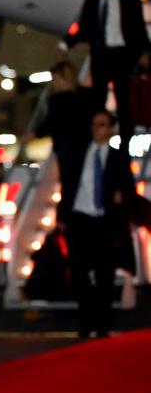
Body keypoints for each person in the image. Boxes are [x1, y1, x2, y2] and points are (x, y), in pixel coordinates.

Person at [56, 109, 136, 338]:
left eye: (101, 124)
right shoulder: (78, 152)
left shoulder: (118, 156)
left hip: (105, 222)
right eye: (94, 124)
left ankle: (102, 325)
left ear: (111, 129)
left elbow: (129, 188)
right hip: (80, 220)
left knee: (105, 276)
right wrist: (62, 217)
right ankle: (86, 320)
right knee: (79, 272)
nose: (96, 129)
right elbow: (68, 186)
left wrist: (122, 196)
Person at [64, 0, 151, 148]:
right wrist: (66, 43)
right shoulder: (92, 0)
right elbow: (84, 27)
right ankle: (97, 138)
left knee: (124, 100)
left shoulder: (128, 0)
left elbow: (139, 29)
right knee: (97, 99)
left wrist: (145, 52)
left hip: (123, 55)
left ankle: (125, 144)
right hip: (101, 55)